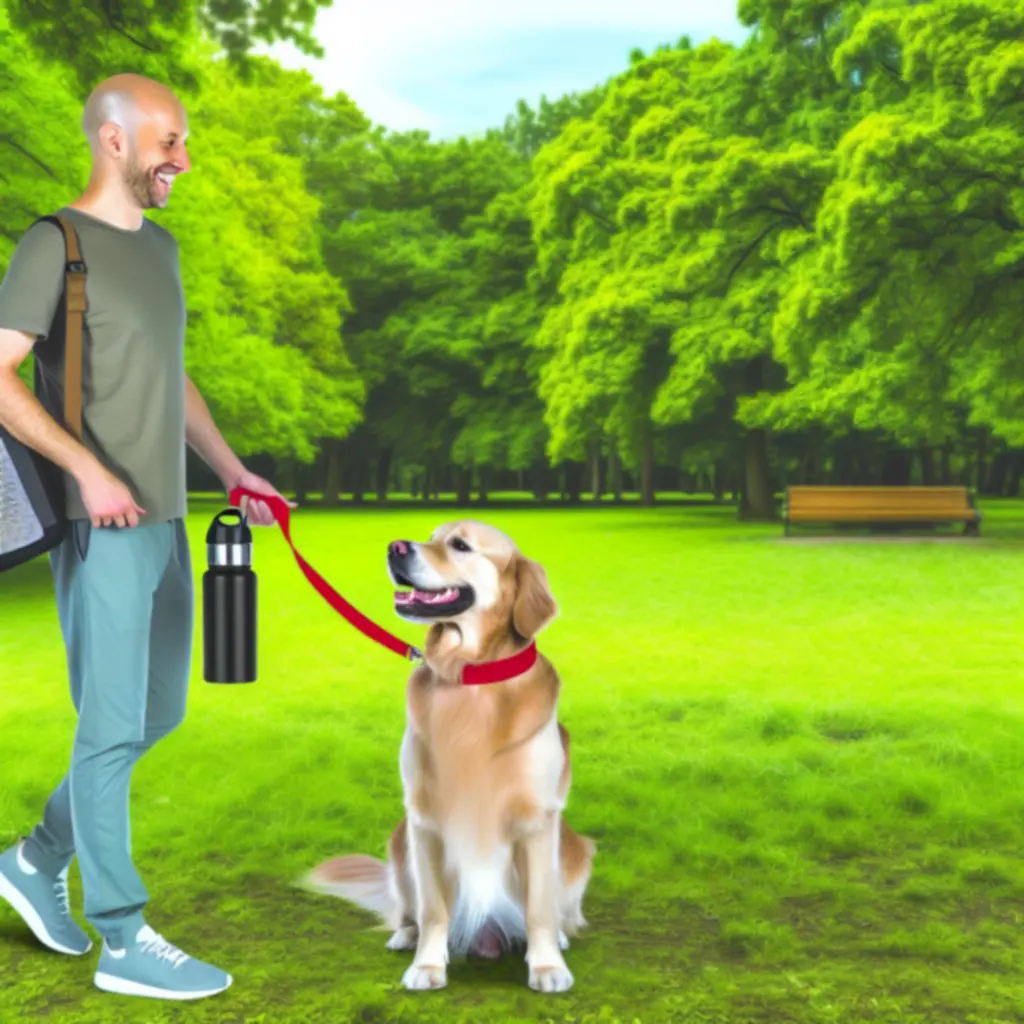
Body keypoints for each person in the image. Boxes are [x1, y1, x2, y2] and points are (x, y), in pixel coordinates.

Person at [0, 73, 289, 1001]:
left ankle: (36, 856)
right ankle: (121, 935)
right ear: (114, 141)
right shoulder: (54, 245)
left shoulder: (159, 251)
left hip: (167, 517)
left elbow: (175, 379)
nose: (184, 160)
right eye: (170, 142)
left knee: (157, 713)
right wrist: (87, 470)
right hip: (102, 521)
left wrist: (233, 469)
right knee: (113, 724)